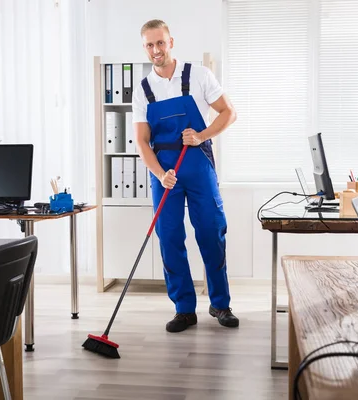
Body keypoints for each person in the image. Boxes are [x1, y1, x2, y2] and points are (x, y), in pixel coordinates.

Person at [132, 19, 238, 333]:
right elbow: (141, 140)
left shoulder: (198, 75)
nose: (155, 50)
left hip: (197, 162)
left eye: (160, 43)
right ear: (145, 48)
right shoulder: (144, 89)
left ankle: (220, 304)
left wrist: (202, 134)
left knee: (211, 232)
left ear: (171, 42)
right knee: (169, 238)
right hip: (164, 170)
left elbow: (229, 112)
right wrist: (159, 173)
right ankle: (184, 309)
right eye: (149, 45)